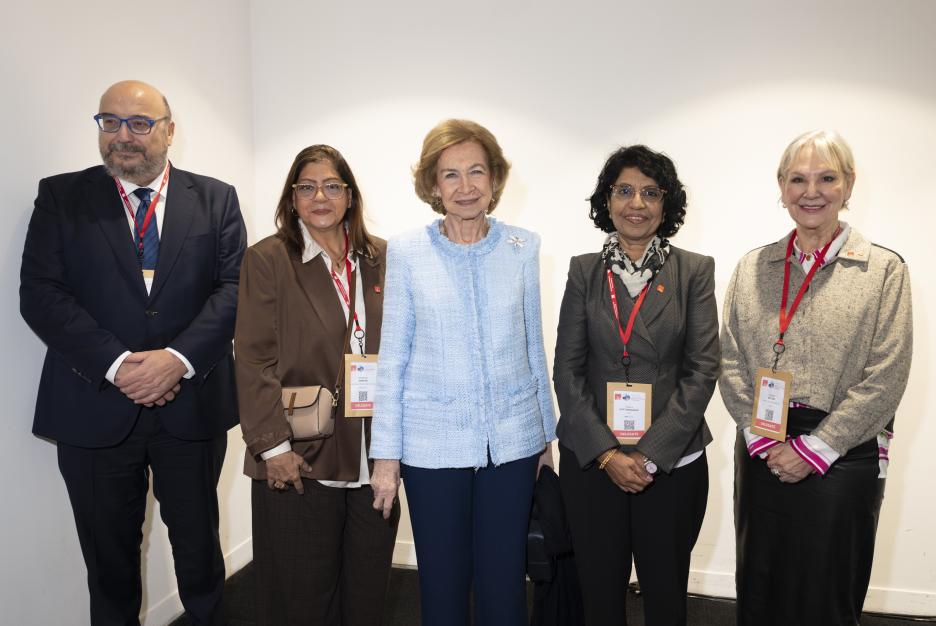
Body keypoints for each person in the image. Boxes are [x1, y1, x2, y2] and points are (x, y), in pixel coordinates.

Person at [19, 80, 246, 625]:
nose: (124, 136)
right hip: (93, 409)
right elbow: (41, 293)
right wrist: (119, 365)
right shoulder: (61, 197)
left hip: (190, 408)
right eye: (110, 122)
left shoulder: (215, 198)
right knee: (109, 569)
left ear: (169, 131)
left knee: (200, 560)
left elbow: (235, 288)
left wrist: (178, 360)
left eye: (140, 123)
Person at [720, 130, 913, 625]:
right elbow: (729, 357)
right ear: (781, 188)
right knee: (761, 588)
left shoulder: (884, 270)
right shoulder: (752, 266)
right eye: (798, 179)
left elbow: (886, 374)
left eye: (827, 178)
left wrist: (815, 449)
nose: (812, 191)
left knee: (828, 595)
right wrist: (763, 440)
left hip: (843, 456)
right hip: (763, 447)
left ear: (848, 186)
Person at [369, 119, 556, 626]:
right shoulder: (407, 251)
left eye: (477, 171)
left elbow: (532, 343)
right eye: (451, 175)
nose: (466, 186)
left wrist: (545, 434)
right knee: (443, 585)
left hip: (513, 443)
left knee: (503, 585)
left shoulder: (524, 247)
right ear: (433, 185)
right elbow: (394, 359)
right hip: (431, 447)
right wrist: (385, 455)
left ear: (495, 179)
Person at [554, 145, 719, 625]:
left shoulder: (694, 271)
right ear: (606, 201)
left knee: (666, 597)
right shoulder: (584, 270)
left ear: (667, 205)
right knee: (599, 596)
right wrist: (607, 454)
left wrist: (647, 454)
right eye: (624, 190)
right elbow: (567, 370)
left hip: (669, 463)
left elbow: (702, 369)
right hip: (593, 460)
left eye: (650, 192)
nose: (636, 203)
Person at [235, 145, 399, 626]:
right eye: (306, 187)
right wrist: (272, 449)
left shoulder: (381, 257)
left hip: (375, 453)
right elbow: (253, 359)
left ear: (350, 194)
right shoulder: (268, 259)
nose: (320, 196)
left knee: (367, 591)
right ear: (292, 198)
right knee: (301, 597)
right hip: (301, 453)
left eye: (332, 185)